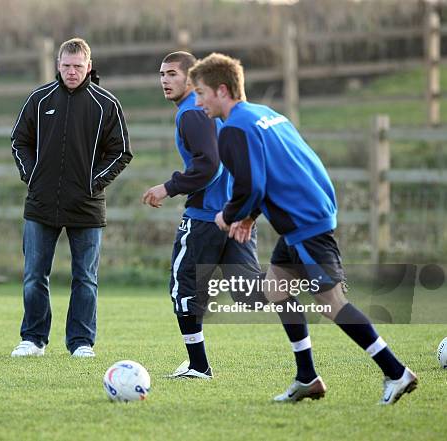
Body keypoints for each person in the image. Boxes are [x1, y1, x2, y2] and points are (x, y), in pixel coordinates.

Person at [189, 52, 417, 404]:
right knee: (277, 288)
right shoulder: (265, 114)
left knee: (332, 303)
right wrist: (250, 217)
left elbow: (251, 186)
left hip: (303, 222)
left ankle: (395, 371)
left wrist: (230, 214)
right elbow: (283, 169)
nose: (198, 100)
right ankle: (307, 378)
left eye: (201, 92)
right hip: (308, 214)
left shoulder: (233, 128)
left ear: (222, 90)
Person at [142, 51, 263, 379]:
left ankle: (199, 365)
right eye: (162, 74)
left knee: (182, 290)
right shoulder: (211, 111)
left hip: (205, 217)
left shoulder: (191, 113)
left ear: (191, 80)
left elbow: (209, 165)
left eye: (172, 74)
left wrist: (169, 187)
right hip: (233, 215)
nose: (165, 80)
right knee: (253, 292)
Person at [10, 37, 132, 358]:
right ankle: (34, 339)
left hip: (87, 206)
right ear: (58, 65)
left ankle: (81, 342)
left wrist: (94, 183)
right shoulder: (39, 99)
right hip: (41, 204)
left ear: (89, 67)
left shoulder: (106, 104)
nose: (72, 72)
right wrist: (32, 176)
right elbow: (19, 141)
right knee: (35, 276)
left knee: (85, 278)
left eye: (78, 66)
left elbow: (121, 152)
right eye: (66, 66)